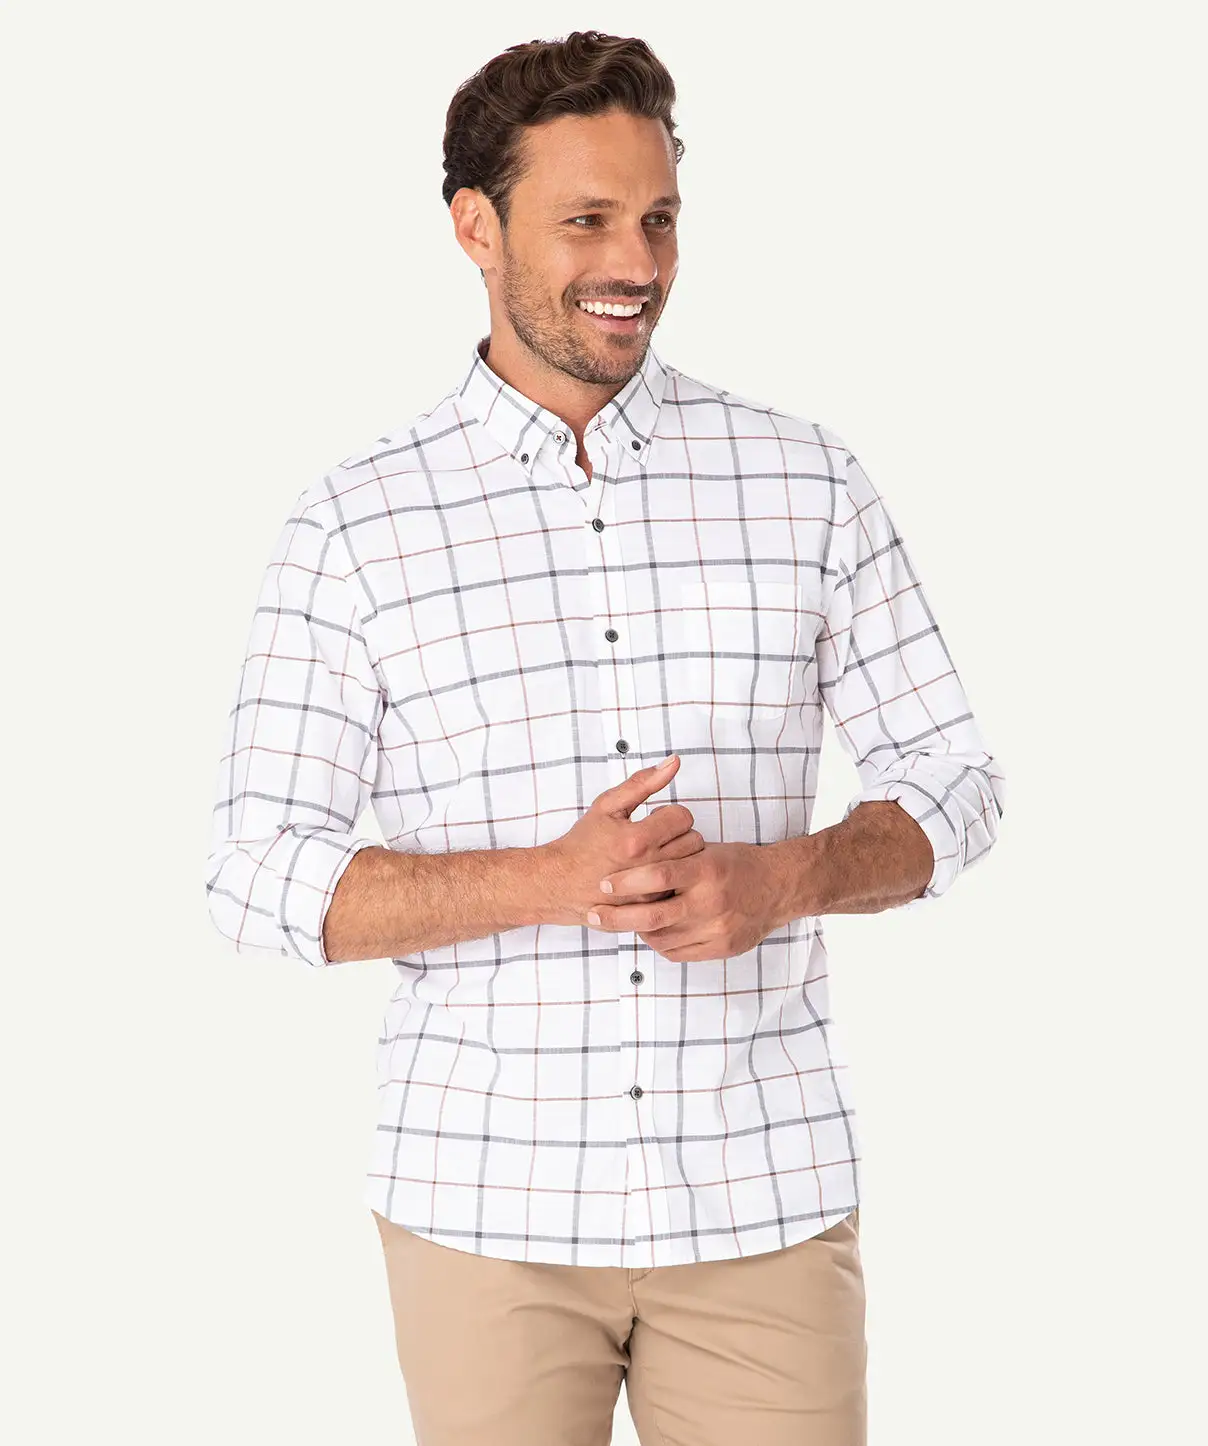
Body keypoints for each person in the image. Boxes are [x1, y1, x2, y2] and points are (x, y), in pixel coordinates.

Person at [204, 28, 1005, 1446]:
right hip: (484, 1214)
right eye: (586, 221)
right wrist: (551, 880)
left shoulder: (806, 480)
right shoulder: (354, 526)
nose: (636, 260)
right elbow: (257, 875)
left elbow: (957, 780)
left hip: (761, 1197)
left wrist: (782, 878)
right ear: (476, 227)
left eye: (659, 218)